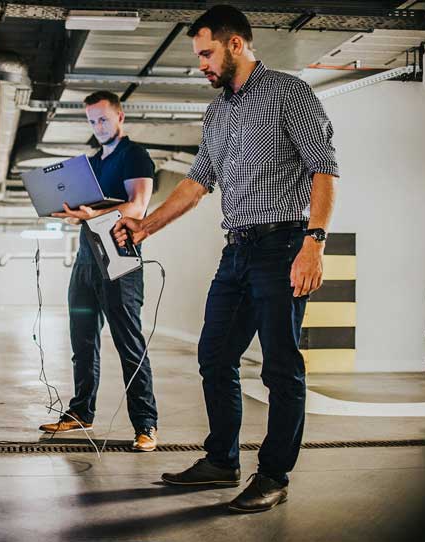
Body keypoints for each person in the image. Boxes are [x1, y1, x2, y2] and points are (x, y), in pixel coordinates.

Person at [114, 5, 340, 512]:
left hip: (283, 245)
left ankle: (274, 475)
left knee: (280, 370)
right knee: (214, 357)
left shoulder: (289, 94)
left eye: (206, 53)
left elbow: (323, 171)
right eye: (199, 56)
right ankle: (222, 460)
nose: (201, 65)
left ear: (236, 44)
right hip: (237, 250)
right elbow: (197, 184)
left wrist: (314, 242)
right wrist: (144, 225)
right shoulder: (217, 113)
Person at [38, 90, 160, 452]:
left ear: (120, 116)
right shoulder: (90, 163)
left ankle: (146, 424)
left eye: (104, 119)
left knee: (129, 344)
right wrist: (68, 210)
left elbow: (138, 206)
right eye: (92, 121)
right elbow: (86, 209)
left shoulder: (134, 155)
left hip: (121, 258)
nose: (98, 126)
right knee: (83, 340)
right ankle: (80, 413)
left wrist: (95, 215)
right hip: (87, 259)